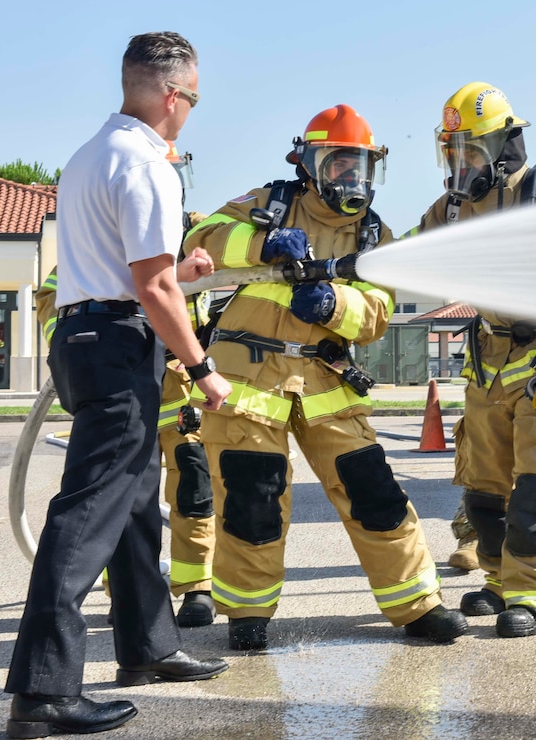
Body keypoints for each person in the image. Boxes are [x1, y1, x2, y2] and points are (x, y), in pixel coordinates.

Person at [5, 32, 231, 739]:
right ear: (174, 96)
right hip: (117, 344)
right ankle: (43, 695)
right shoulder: (148, 166)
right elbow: (151, 286)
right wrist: (201, 366)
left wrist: (180, 277)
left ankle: (148, 647)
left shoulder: (89, 157)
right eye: (193, 98)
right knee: (86, 515)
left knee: (134, 502)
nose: (190, 110)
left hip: (83, 335)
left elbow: (134, 270)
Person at [184, 104, 468, 651]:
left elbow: (379, 311)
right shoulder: (267, 204)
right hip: (251, 381)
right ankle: (247, 615)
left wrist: (335, 303)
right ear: (309, 163)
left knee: (375, 493)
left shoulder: (374, 235)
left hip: (325, 381)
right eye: (338, 165)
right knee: (251, 499)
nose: (349, 178)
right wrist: (262, 244)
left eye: (359, 167)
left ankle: (418, 605)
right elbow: (203, 240)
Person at [411, 82, 536, 638]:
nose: (460, 162)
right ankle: (502, 580)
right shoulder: (452, 208)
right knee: (486, 492)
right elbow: (405, 251)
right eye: (452, 150)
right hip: (490, 361)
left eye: (470, 149)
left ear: (503, 143)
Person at [34, 147, 218, 630]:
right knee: (118, 499)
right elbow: (56, 304)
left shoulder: (193, 235)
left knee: (194, 488)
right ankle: (126, 596)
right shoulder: (99, 240)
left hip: (179, 387)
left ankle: (195, 587)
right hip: (123, 381)